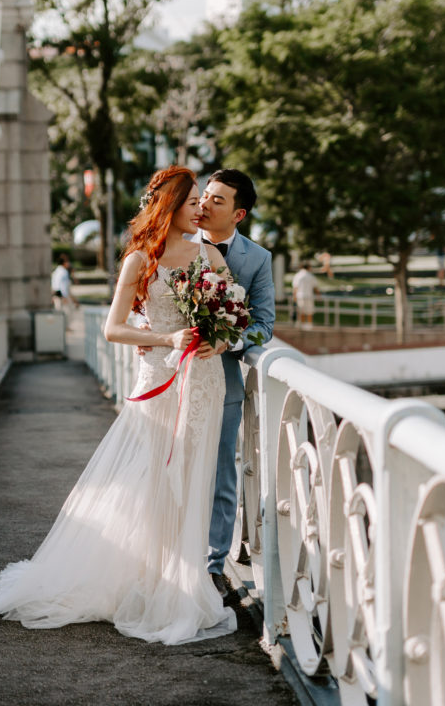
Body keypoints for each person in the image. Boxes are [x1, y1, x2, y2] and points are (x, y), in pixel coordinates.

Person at [0, 166, 237, 645]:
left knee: (195, 480)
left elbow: (230, 314)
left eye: (201, 202)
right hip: (160, 376)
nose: (201, 210)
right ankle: (159, 586)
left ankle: (186, 583)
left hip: (204, 382)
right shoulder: (139, 259)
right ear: (169, 207)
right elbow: (114, 329)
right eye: (193, 202)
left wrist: (216, 339)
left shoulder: (210, 254)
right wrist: (165, 336)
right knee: (158, 484)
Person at [193, 168, 275, 603]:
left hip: (221, 379)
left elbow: (265, 324)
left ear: (238, 213)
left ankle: (212, 567)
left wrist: (232, 339)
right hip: (170, 375)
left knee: (222, 473)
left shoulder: (257, 259)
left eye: (217, 200)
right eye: (204, 196)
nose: (204, 204)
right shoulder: (173, 242)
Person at [292, 261, 318, 328]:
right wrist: (319, 295)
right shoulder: (310, 276)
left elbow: (295, 287)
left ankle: (302, 324)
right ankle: (309, 325)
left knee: (301, 311)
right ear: (308, 267)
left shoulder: (298, 275)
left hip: (300, 295)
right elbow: (315, 287)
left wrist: (294, 296)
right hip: (309, 295)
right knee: (309, 311)